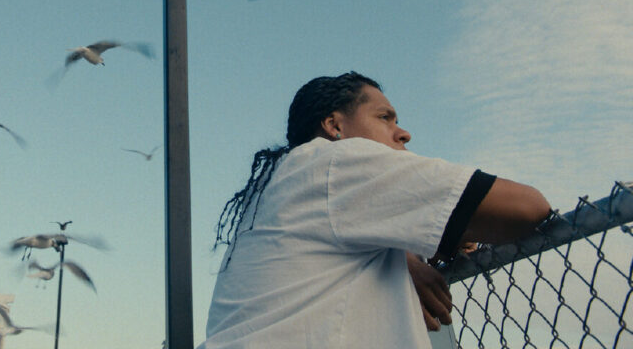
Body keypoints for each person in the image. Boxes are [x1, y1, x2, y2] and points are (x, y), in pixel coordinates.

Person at [200, 72, 551, 349]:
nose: (403, 133)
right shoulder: (336, 162)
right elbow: (525, 207)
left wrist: (402, 255)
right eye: (385, 117)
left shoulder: (283, 185)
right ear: (335, 126)